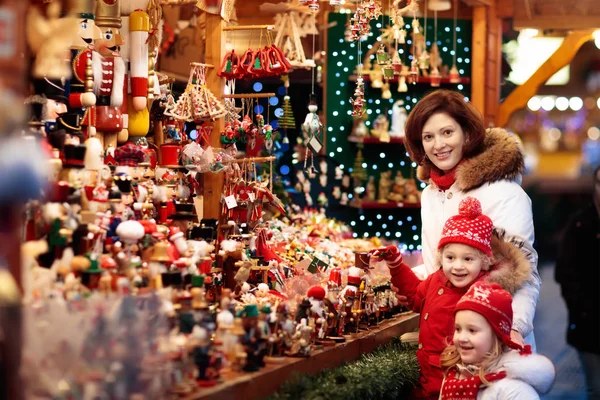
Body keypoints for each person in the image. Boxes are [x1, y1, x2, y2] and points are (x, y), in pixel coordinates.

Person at [402, 89, 540, 350]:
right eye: (428, 137)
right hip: (442, 338)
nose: (438, 145)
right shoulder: (430, 194)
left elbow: (523, 274)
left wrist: (514, 329)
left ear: (466, 134)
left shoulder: (504, 192)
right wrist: (396, 272)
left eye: (447, 132)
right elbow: (438, 266)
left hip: (493, 337)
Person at [372, 196, 532, 398]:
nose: (457, 266)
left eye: (468, 259)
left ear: (483, 262)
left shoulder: (483, 292)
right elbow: (414, 296)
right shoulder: (436, 280)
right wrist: (396, 265)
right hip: (425, 374)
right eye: (450, 257)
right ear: (441, 258)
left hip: (455, 377)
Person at [439, 282, 555, 399]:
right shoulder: (454, 373)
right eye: (458, 329)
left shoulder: (513, 389)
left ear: (497, 336)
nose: (462, 338)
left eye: (472, 330)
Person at [555, 166, 600, 399]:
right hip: (589, 327)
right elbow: (565, 272)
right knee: (596, 389)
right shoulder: (580, 225)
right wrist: (582, 309)